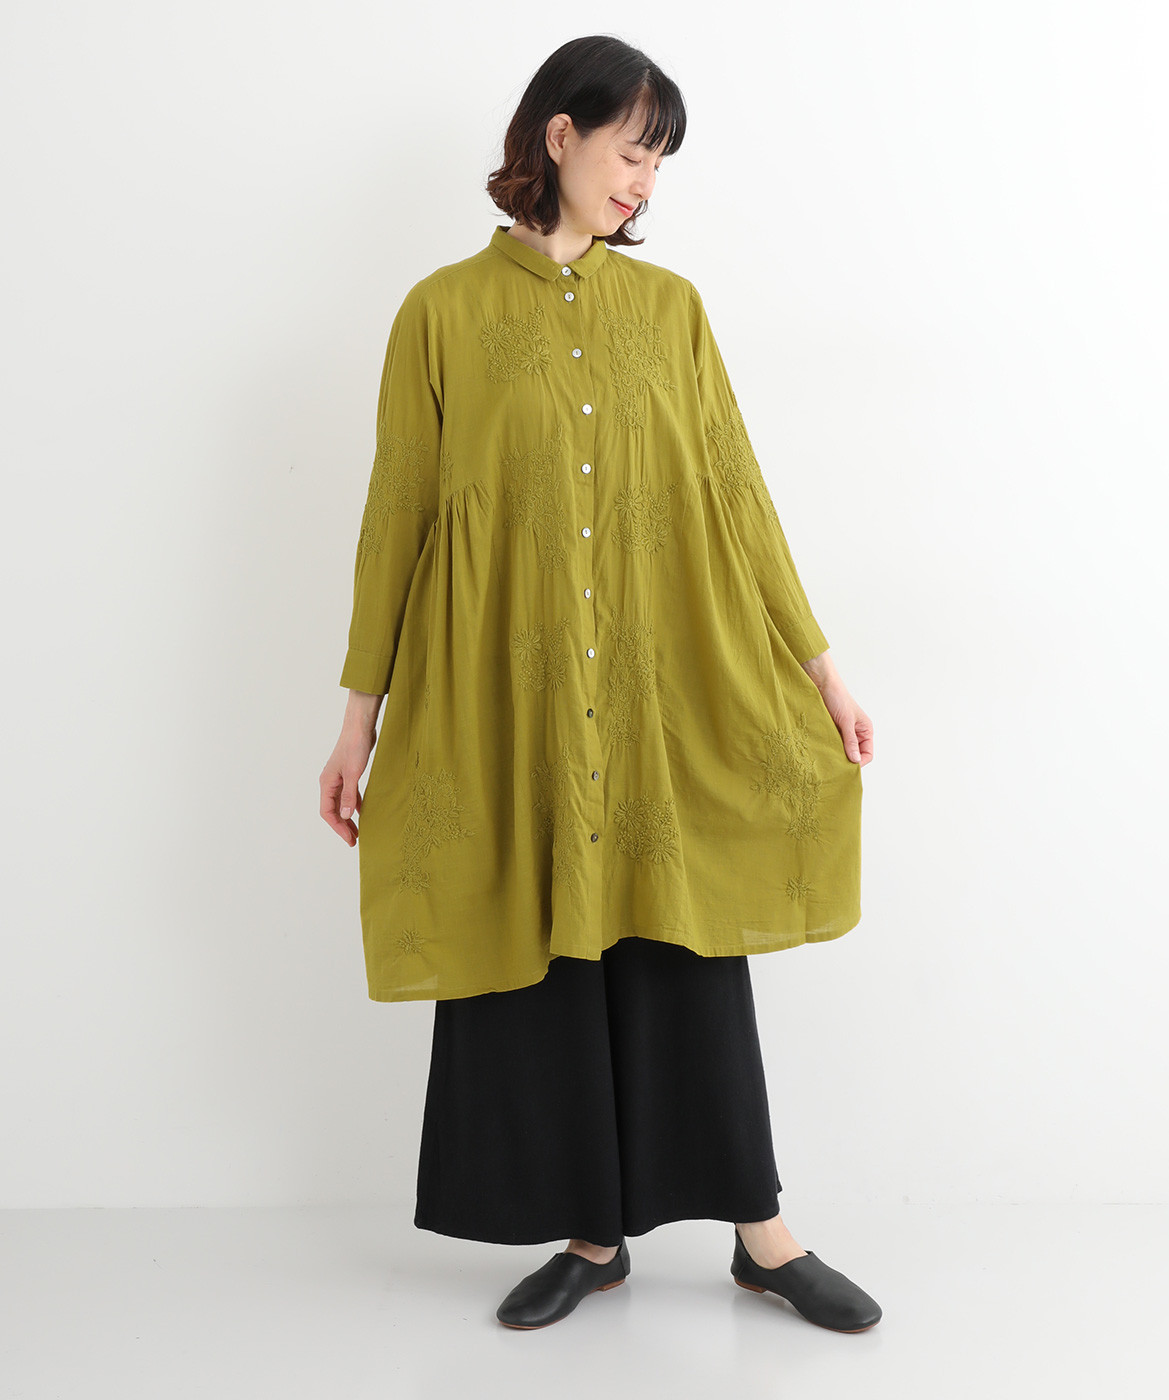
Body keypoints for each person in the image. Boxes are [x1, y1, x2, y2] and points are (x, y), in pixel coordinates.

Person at [319, 34, 881, 1333]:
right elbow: (396, 519)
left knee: (683, 942)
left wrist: (822, 670)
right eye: (633, 151)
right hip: (506, 703)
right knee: (543, 956)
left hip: (655, 693)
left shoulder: (670, 312)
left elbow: (737, 496)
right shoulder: (441, 314)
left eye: (660, 163)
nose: (644, 183)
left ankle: (764, 1237)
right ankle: (593, 1234)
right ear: (559, 137)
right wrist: (357, 723)